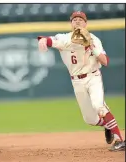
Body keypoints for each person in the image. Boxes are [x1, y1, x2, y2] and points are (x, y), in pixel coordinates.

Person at [38, 11, 125, 151]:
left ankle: (119, 140)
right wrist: (43, 40)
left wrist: (91, 46)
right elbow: (49, 40)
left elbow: (105, 61)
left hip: (93, 77)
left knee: (99, 106)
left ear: (86, 23)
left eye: (80, 19)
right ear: (71, 24)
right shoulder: (64, 39)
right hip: (76, 81)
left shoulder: (94, 39)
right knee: (90, 119)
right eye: (74, 19)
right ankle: (107, 126)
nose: (77, 21)